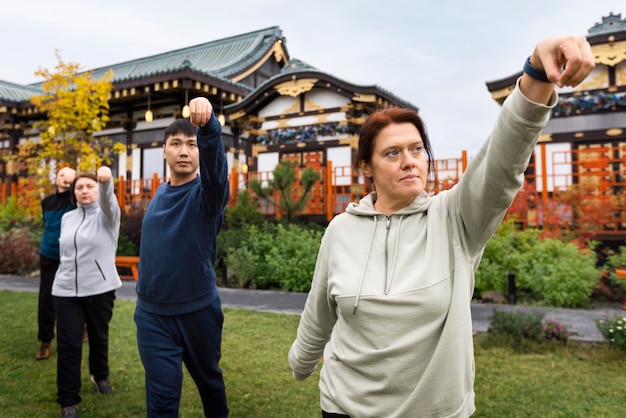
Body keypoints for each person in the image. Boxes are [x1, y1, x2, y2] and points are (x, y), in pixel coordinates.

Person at [288, 36, 595, 418]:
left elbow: (501, 161)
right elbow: (320, 311)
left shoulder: (454, 219)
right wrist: (301, 361)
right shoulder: (341, 230)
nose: (409, 161)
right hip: (342, 407)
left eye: (417, 149)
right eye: (392, 153)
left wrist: (536, 72)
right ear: (366, 167)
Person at [134, 97, 230, 417]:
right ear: (164, 151)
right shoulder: (160, 193)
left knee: (210, 383)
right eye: (176, 143)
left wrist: (210, 128)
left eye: (191, 144)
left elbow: (217, 174)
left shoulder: (207, 197)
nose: (184, 150)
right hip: (152, 316)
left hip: (198, 311)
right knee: (161, 400)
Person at [52, 166, 122, 418]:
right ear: (73, 193)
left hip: (100, 289)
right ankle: (68, 399)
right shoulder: (67, 219)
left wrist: (104, 182)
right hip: (65, 291)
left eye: (89, 186)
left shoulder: (107, 215)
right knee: (68, 345)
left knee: (98, 336)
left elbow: (108, 200)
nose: (84, 191)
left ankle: (100, 375)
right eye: (79, 187)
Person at [36, 166, 76, 361]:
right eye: (62, 175)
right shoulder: (47, 202)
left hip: (71, 256)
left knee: (76, 296)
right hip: (49, 255)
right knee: (46, 298)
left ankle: (82, 328)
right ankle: (45, 341)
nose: (65, 178)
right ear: (56, 179)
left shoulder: (76, 202)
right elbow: (47, 225)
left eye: (70, 176)